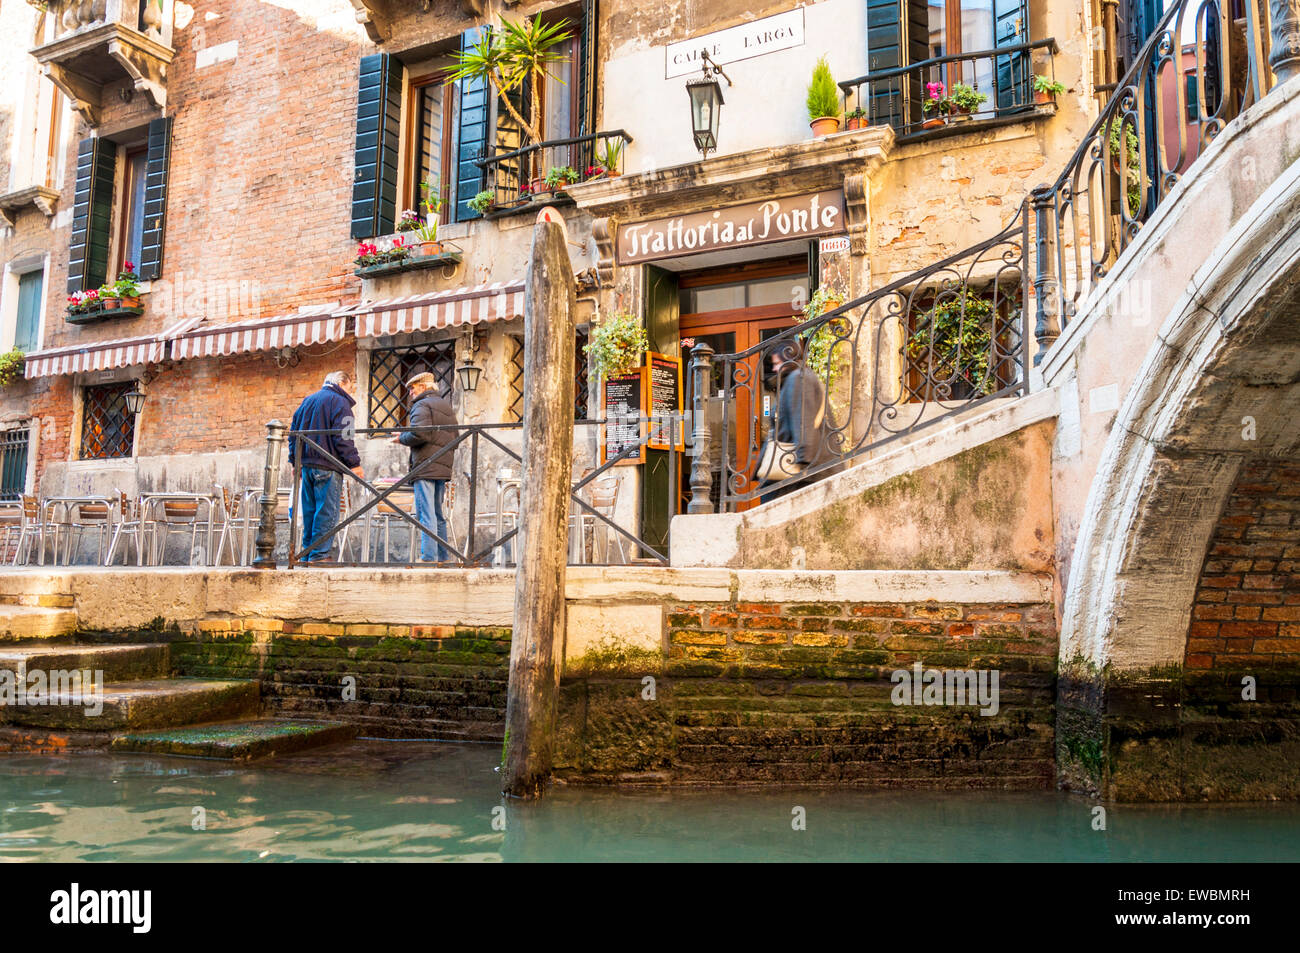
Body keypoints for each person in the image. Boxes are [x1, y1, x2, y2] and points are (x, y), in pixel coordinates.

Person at [288, 370, 363, 563]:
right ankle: (319, 555)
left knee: (310, 512)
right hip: (328, 465)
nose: (351, 391)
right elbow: (344, 436)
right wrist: (354, 464)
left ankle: (307, 555)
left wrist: (294, 460)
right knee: (327, 512)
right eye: (350, 387)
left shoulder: (307, 401)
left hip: (306, 466)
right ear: (343, 383)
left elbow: (293, 434)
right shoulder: (341, 402)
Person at [757, 340, 834, 504]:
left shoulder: (799, 379)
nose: (774, 369)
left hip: (797, 471)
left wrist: (802, 460)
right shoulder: (799, 378)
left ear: (788, 359)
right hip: (800, 469)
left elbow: (803, 422)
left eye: (777, 363)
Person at [394, 371, 457, 563]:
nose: (410, 392)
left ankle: (429, 557)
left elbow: (420, 434)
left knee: (426, 513)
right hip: (442, 465)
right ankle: (442, 557)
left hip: (426, 466)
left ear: (423, 386)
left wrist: (400, 438)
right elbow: (455, 436)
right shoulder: (445, 405)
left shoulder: (421, 405)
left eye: (412, 388)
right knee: (438, 513)